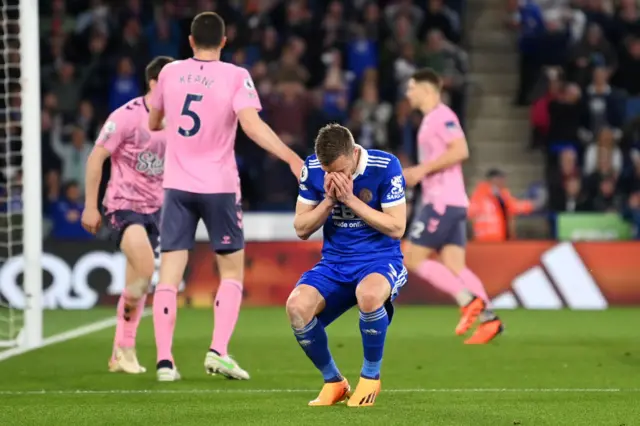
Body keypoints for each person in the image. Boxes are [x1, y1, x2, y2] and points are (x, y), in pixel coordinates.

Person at [147, 12, 303, 382]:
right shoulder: (236, 76)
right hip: (218, 186)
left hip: (177, 187)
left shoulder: (168, 73)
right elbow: (251, 126)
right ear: (224, 41)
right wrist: (291, 158)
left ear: (189, 41)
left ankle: (165, 362)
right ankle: (218, 350)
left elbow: (154, 121)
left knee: (169, 275)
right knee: (231, 272)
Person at [287, 124, 407, 407]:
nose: (335, 178)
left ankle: (370, 377)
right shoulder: (312, 168)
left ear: (354, 153)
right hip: (335, 263)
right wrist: (329, 201)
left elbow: (396, 226)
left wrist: (350, 200)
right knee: (296, 307)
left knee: (368, 295)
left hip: (380, 259)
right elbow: (301, 228)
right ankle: (334, 382)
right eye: (329, 173)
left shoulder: (385, 165)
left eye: (341, 171)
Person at [81, 56, 174, 374]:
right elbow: (96, 158)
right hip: (123, 206)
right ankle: (124, 348)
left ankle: (120, 352)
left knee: (137, 285)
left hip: (156, 211)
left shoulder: (179, 119)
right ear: (153, 83)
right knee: (147, 268)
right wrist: (90, 205)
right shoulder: (126, 117)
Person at [402, 68, 503, 345]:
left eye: (412, 88)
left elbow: (461, 150)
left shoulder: (442, 116)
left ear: (427, 89)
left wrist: (422, 170)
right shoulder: (429, 120)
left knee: (413, 258)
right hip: (452, 201)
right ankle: (490, 320)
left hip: (441, 202)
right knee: (455, 264)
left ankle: (467, 300)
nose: (408, 93)